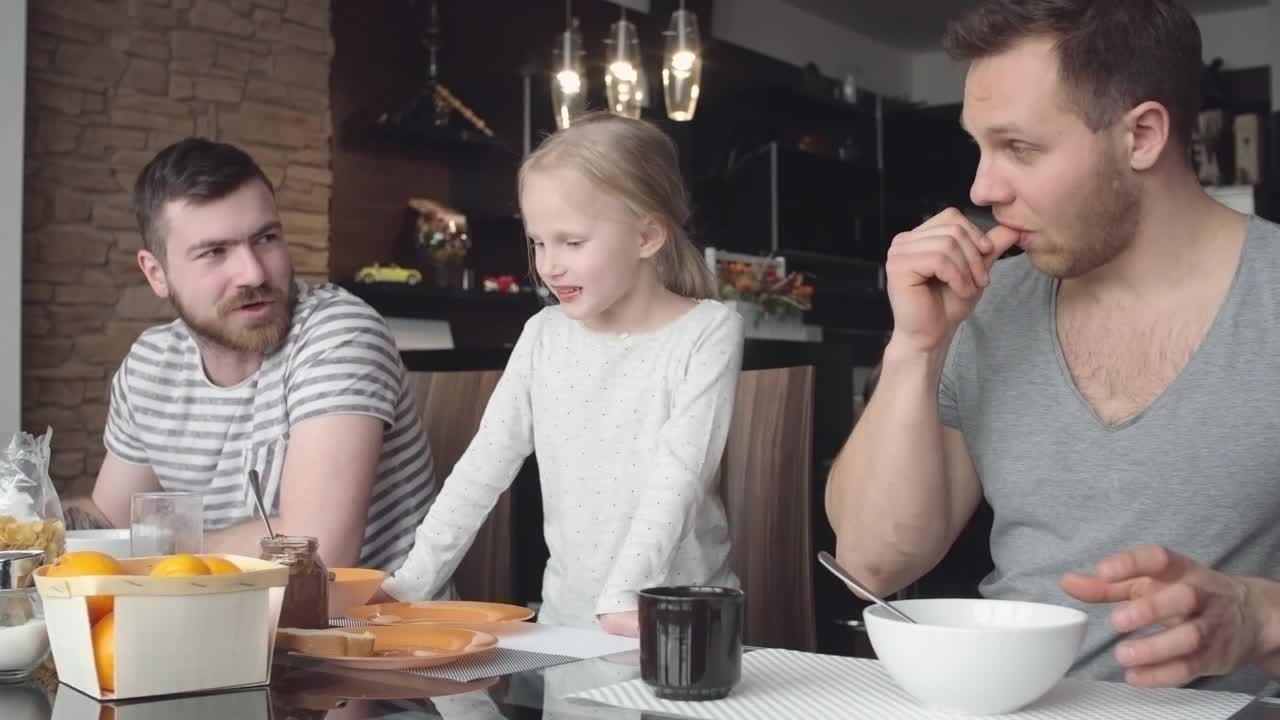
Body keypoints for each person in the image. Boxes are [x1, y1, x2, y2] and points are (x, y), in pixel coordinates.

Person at [825, 0, 1280, 692]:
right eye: (979, 146)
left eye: (1019, 148)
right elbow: (872, 563)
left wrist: (1259, 617)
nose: (982, 188)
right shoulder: (988, 306)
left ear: (1143, 135)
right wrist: (916, 347)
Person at [379, 112, 744, 636]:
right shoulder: (543, 334)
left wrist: (625, 596)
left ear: (646, 235)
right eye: (539, 242)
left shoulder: (707, 331)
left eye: (572, 242)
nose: (550, 265)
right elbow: (483, 466)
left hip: (674, 619)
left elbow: (679, 476)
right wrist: (411, 582)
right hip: (567, 623)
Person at [67, 138, 441, 577]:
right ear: (157, 274)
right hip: (229, 627)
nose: (254, 273)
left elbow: (317, 550)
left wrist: (154, 547)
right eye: (215, 252)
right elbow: (109, 522)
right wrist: (33, 520)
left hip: (370, 633)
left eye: (265, 239)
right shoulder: (152, 364)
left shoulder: (339, 334)